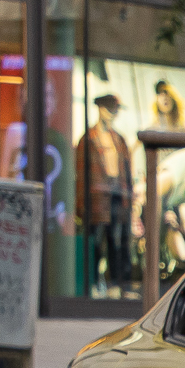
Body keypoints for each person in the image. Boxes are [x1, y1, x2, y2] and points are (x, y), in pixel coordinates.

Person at [77, 93, 134, 289]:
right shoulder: (88, 140)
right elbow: (81, 175)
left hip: (117, 197)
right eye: (110, 109)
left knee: (117, 242)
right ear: (100, 109)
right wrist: (81, 204)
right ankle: (91, 284)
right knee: (95, 243)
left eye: (115, 110)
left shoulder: (119, 139)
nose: (113, 114)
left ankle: (116, 285)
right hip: (97, 199)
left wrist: (129, 199)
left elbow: (126, 172)